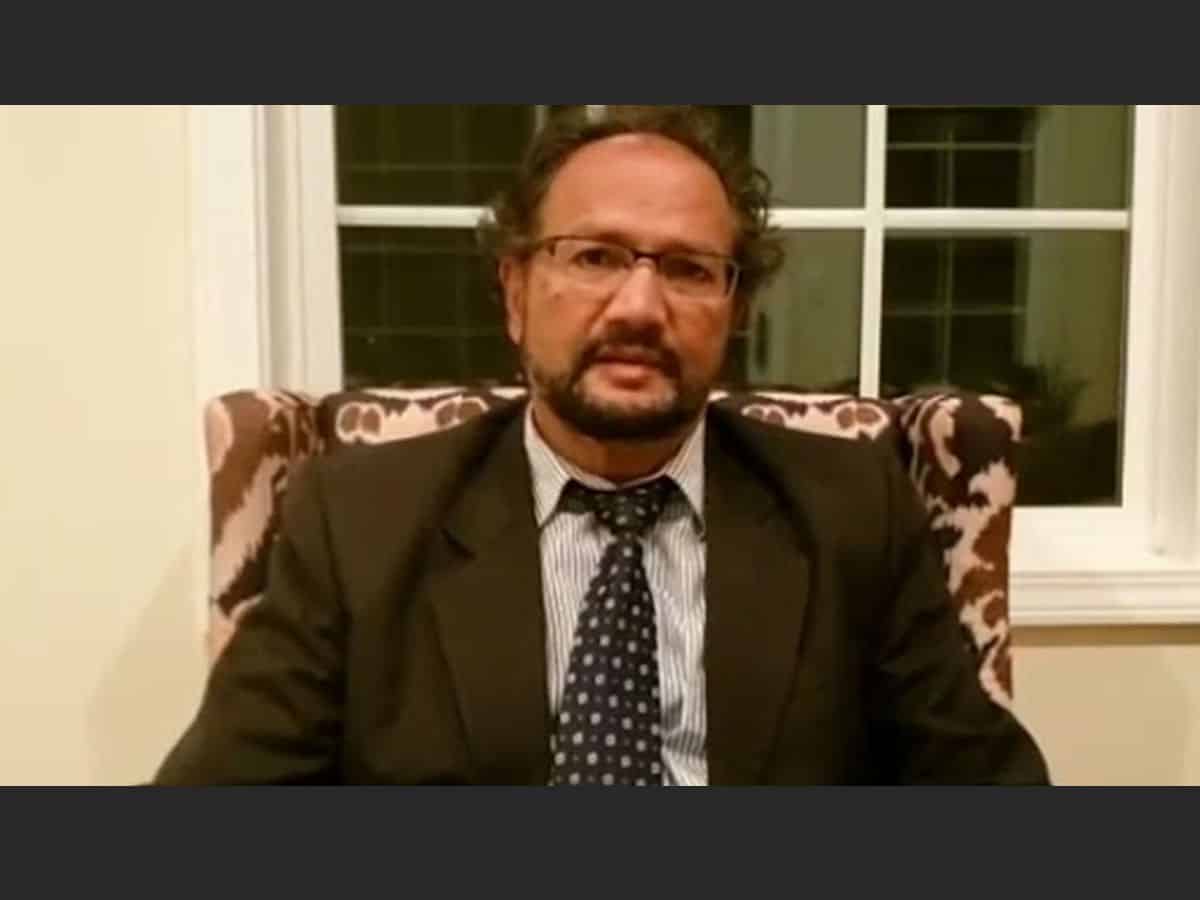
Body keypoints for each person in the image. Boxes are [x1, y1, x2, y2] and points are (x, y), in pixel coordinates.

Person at [154, 106, 1049, 785]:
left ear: (734, 312)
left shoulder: (853, 508)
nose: (639, 308)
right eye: (594, 258)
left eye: (689, 269)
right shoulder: (358, 519)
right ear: (515, 291)